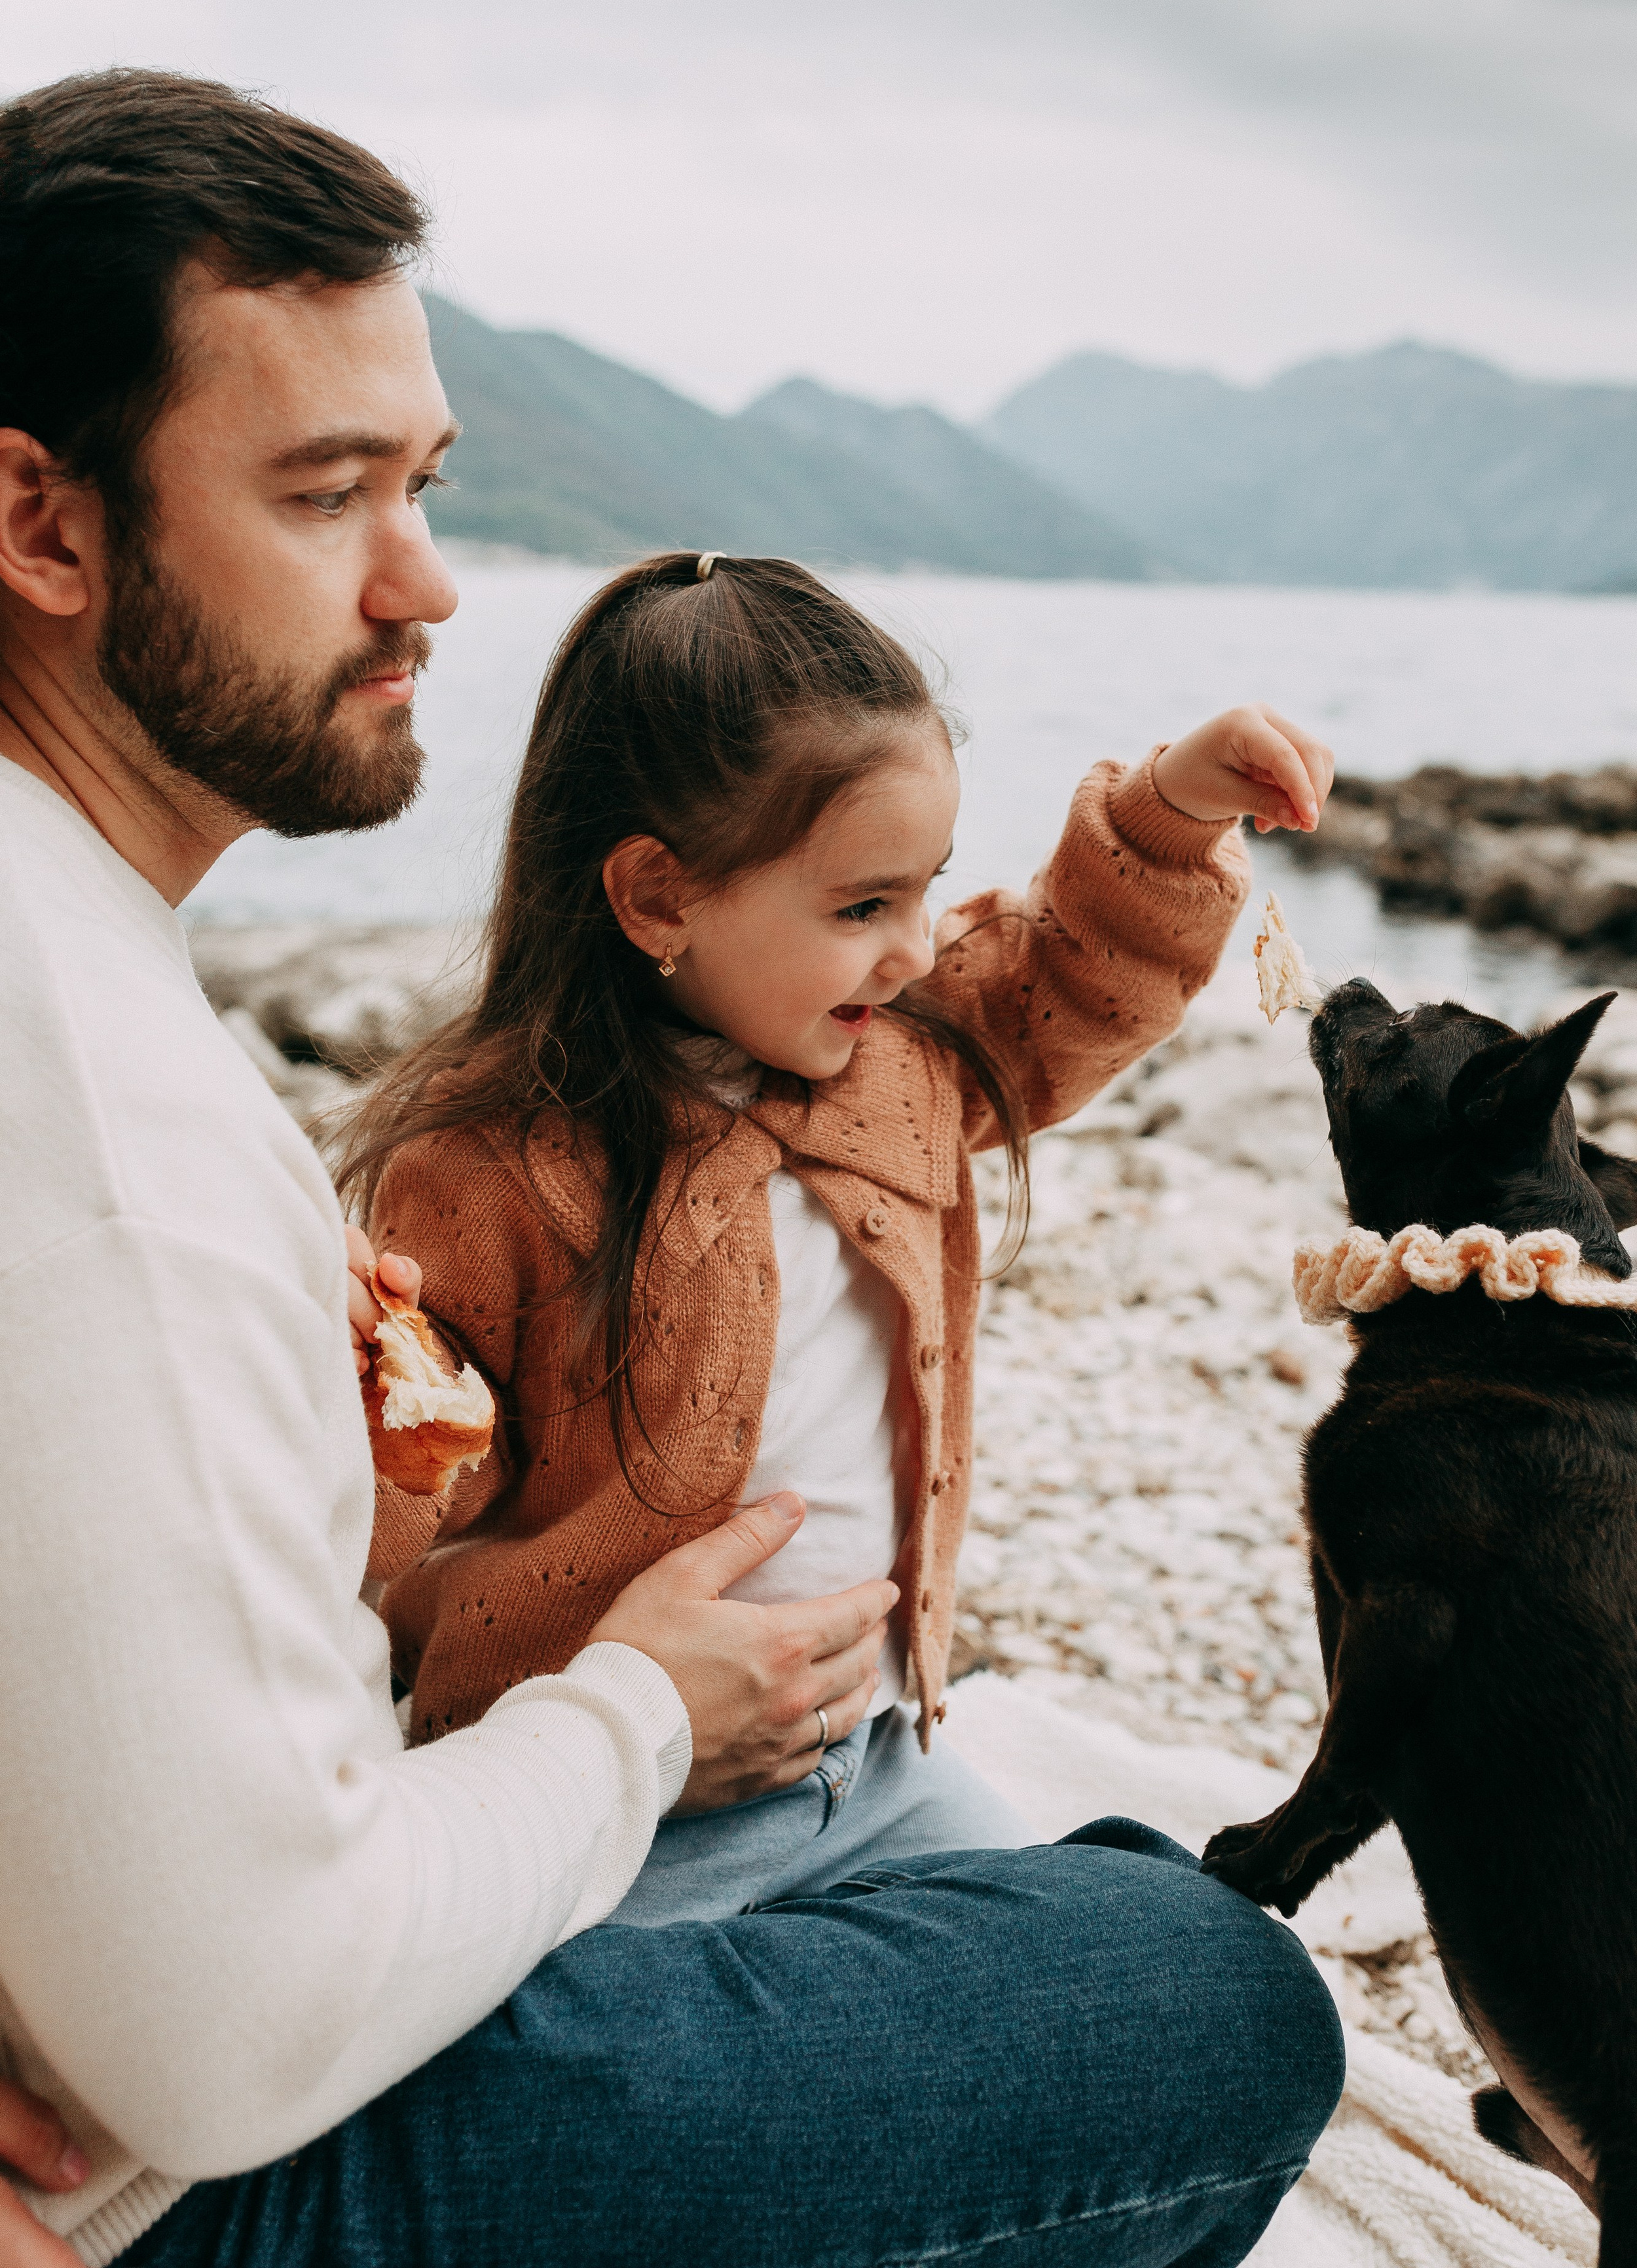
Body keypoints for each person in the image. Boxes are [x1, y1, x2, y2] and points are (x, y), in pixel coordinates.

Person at [0, 65, 1342, 2268]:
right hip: (197, 2160)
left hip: (747, 1793)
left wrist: (1155, 836)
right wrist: (627, 1711)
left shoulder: (72, 987)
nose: (425, 587)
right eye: (329, 498)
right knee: (1208, 2001)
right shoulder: (141, 1133)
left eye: (428, 483)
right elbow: (235, 2032)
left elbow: (1039, 986)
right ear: (43, 527)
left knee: (1094, 1906)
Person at [343, 554, 1334, 1928]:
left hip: (869, 1776)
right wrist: (347, 1378)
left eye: (926, 892)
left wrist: (1169, 812)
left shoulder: (908, 1063)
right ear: (656, 899)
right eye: (864, 906)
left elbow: (1068, 965)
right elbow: (378, 1508)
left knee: (1116, 1935)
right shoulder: (492, 1166)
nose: (917, 951)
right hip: (607, 1804)